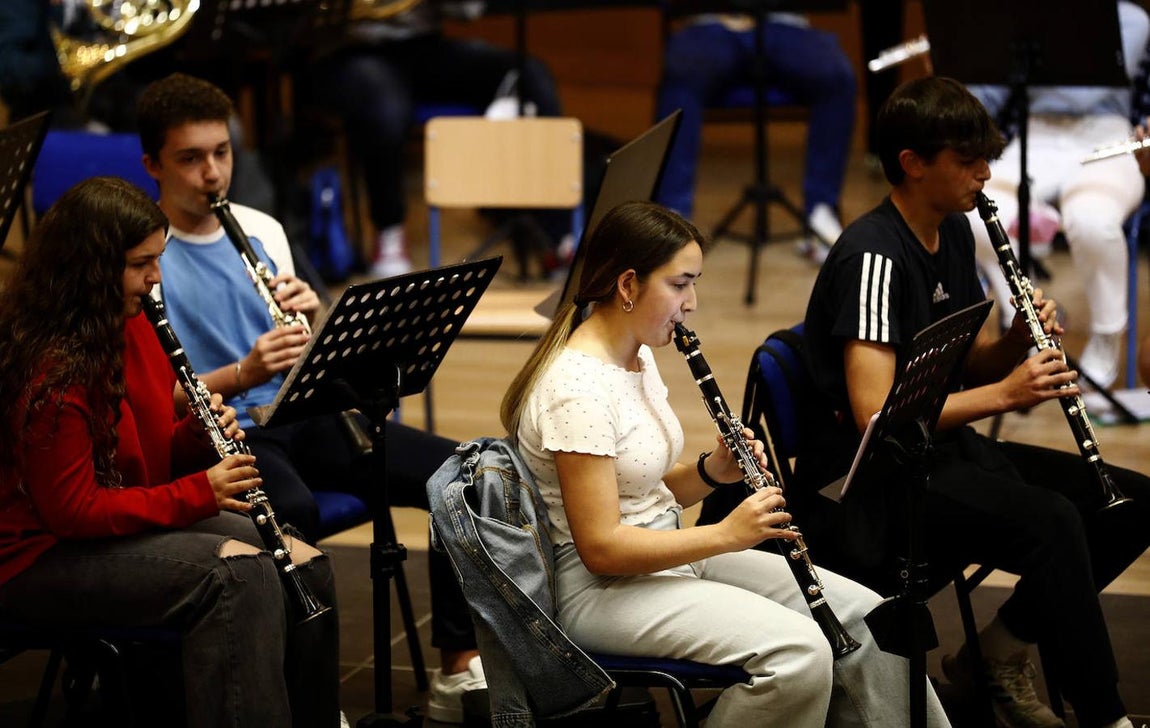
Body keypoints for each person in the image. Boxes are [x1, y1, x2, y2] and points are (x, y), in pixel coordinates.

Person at [500, 199, 951, 726]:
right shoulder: (575, 390)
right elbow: (601, 547)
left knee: (872, 617)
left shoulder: (636, 354)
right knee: (799, 655)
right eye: (680, 283)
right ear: (627, 285)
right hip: (599, 590)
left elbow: (638, 493)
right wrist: (728, 533)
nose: (691, 302)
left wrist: (713, 471)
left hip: (664, 559)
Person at [796, 76, 1150, 728]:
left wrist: (1016, 342)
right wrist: (1005, 394)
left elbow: (968, 361)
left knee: (1131, 506)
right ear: (912, 164)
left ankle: (996, 652)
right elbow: (878, 415)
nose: (987, 174)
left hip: (937, 452)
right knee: (1053, 522)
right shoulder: (873, 254)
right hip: (870, 482)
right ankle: (1105, 715)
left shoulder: (953, 231)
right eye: (968, 161)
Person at [135, 71, 484, 723]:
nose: (212, 173)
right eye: (190, 158)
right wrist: (241, 371)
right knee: (291, 509)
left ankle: (458, 668)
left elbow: (305, 347)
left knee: (464, 471)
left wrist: (317, 321)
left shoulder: (261, 227)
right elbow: (153, 399)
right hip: (229, 434)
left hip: (304, 412)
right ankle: (309, 699)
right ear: (153, 164)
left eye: (222, 153)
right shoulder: (147, 252)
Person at [0, 176, 341, 727]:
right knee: (240, 577)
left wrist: (199, 438)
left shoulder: (130, 323)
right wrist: (200, 492)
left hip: (112, 523)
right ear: (91, 268)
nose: (155, 279)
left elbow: (152, 454)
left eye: (157, 259)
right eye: (141, 265)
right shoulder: (52, 372)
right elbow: (74, 511)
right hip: (38, 557)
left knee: (307, 564)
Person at [301, 2, 565, 277]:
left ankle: (558, 236)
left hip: (425, 47)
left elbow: (468, 10)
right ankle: (389, 233)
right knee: (385, 108)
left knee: (530, 74)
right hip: (349, 50)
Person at [964, 0, 1150, 389]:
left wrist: (1020, 61)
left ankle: (1106, 337)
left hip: (1106, 133)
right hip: (1039, 134)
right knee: (969, 213)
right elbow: (988, 98)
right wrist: (963, 76)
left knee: (1091, 218)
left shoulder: (1131, 20)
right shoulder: (1025, 16)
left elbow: (1091, 85)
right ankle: (1034, 315)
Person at [654, 10, 856, 264]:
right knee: (680, 74)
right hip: (712, 25)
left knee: (837, 77)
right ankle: (672, 215)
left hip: (784, 25)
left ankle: (821, 209)